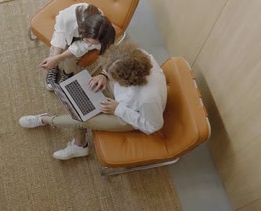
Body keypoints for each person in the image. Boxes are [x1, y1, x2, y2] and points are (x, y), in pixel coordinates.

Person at [21, 42, 167, 160]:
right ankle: (80, 145)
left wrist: (118, 109)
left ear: (124, 79)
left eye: (112, 76)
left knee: (84, 119)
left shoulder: (147, 99)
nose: (109, 76)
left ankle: (46, 120)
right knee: (85, 92)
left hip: (130, 115)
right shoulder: (137, 56)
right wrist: (103, 75)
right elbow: (111, 71)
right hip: (123, 98)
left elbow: (153, 126)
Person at [39, 3, 115, 91]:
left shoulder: (102, 35)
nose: (90, 45)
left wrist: (59, 58)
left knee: (70, 58)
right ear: (83, 31)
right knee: (55, 50)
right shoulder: (67, 17)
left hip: (81, 38)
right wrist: (55, 58)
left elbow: (81, 47)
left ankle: (67, 74)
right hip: (67, 33)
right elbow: (60, 32)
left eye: (93, 43)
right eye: (89, 42)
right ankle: (53, 68)